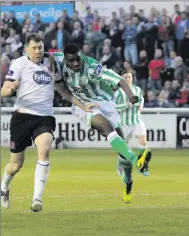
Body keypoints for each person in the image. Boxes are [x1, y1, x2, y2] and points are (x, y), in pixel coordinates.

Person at [0, 33, 95, 212]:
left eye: (40, 48)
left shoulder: (52, 64)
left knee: (44, 150)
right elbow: (4, 89)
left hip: (44, 117)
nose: (37, 51)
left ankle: (37, 199)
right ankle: (3, 188)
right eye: (34, 48)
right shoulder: (19, 63)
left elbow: (63, 91)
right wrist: (10, 89)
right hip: (21, 117)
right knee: (15, 165)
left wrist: (83, 106)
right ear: (26, 48)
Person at [52, 44, 152, 185]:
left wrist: (130, 94)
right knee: (105, 127)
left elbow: (119, 79)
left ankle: (128, 177)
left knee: (121, 142)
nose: (75, 63)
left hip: (106, 102)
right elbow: (42, 54)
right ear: (65, 60)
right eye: (71, 61)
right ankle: (137, 161)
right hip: (83, 105)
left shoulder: (92, 66)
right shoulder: (57, 59)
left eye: (77, 59)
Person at [113, 71, 152, 203]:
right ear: (121, 79)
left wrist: (139, 107)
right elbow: (115, 107)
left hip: (136, 120)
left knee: (143, 141)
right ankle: (120, 165)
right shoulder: (119, 92)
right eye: (125, 77)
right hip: (124, 123)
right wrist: (127, 105)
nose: (127, 79)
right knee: (123, 151)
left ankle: (143, 167)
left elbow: (141, 102)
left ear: (132, 78)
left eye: (129, 77)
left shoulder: (137, 89)